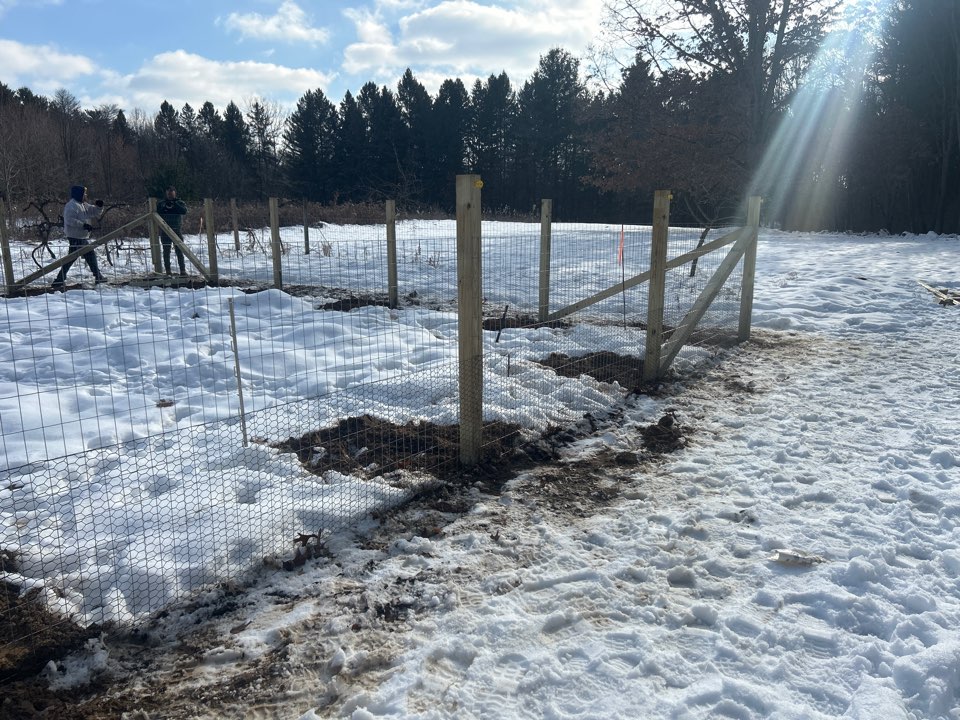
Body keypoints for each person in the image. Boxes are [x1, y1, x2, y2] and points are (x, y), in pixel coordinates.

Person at [52, 185, 105, 290]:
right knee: (86, 255)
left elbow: (94, 212)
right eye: (84, 193)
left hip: (81, 237)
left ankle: (59, 280)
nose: (86, 195)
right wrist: (83, 225)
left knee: (74, 257)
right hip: (75, 236)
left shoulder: (83, 205)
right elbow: (69, 220)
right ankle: (98, 276)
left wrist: (99, 207)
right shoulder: (71, 206)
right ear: (79, 194)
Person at [157, 186, 188, 276]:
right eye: (168, 194)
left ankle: (182, 270)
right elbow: (157, 212)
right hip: (165, 229)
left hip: (176, 229)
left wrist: (175, 204)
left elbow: (184, 211)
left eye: (171, 193)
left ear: (175, 193)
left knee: (179, 250)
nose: (170, 195)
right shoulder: (162, 203)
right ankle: (168, 271)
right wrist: (165, 205)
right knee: (166, 251)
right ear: (166, 194)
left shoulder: (180, 202)